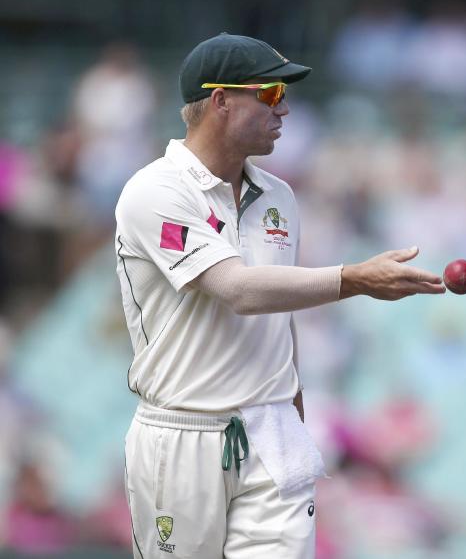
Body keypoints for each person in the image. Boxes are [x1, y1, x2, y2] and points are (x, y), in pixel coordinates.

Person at [114, 33, 445, 558]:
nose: (284, 108)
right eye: (269, 94)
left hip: (272, 429)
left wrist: (294, 403)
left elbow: (277, 306)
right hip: (182, 432)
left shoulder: (280, 197)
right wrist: (355, 278)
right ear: (220, 100)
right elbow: (237, 289)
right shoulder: (155, 191)